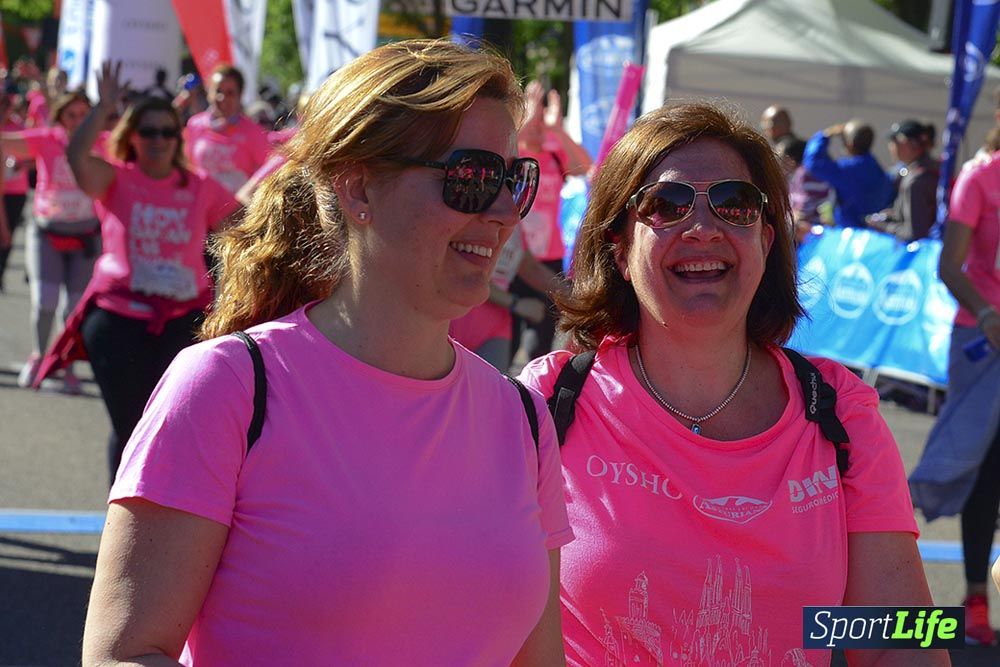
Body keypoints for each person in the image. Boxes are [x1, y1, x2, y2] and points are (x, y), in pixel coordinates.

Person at [81, 40, 571, 665]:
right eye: (472, 178)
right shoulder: (228, 386)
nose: (504, 213)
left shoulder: (524, 422)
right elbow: (123, 653)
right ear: (359, 188)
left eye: (512, 179)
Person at [519, 102, 945, 667]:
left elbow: (902, 640)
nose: (702, 227)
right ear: (619, 249)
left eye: (734, 204)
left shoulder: (843, 413)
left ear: (767, 242)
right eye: (665, 205)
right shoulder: (549, 403)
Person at [35, 62, 241, 482]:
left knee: (175, 430)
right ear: (132, 137)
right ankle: (121, 526)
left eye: (168, 132)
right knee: (131, 428)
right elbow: (76, 156)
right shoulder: (116, 179)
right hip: (118, 323)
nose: (159, 140)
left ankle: (163, 519)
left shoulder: (199, 185)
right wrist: (103, 107)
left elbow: (247, 225)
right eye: (148, 132)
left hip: (184, 323)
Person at [910, 146, 1000, 647]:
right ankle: (974, 596)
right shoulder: (982, 176)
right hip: (984, 343)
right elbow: (950, 265)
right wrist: (987, 314)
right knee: (984, 472)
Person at [1, 90, 97, 392]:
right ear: (59, 117)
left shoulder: (102, 142)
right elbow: (5, 142)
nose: (78, 122)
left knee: (72, 308)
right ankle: (39, 356)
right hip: (47, 231)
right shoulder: (47, 139)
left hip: (86, 235)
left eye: (85, 115)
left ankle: (64, 365)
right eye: (72, 115)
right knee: (45, 302)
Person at [512, 80, 591, 362]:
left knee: (539, 344)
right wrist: (527, 119)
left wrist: (557, 130)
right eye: (531, 112)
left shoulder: (553, 155)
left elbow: (587, 167)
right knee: (506, 341)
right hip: (511, 260)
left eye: (539, 113)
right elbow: (512, 142)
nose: (537, 120)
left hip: (548, 262)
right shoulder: (513, 154)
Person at [183, 63, 271, 195]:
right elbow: (188, 167)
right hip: (201, 207)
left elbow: (268, 173)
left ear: (240, 95)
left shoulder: (254, 132)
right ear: (209, 93)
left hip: (237, 211)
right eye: (218, 91)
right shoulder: (195, 125)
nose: (222, 98)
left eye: (230, 93)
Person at [803, 119, 893, 229]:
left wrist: (825, 135)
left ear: (850, 144)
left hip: (852, 232)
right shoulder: (875, 167)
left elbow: (813, 163)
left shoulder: (847, 170)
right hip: (873, 231)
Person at [867, 119, 938, 242]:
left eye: (894, 141)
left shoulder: (916, 180)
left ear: (907, 143)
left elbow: (915, 233)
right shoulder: (933, 168)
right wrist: (892, 215)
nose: (891, 147)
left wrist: (883, 226)